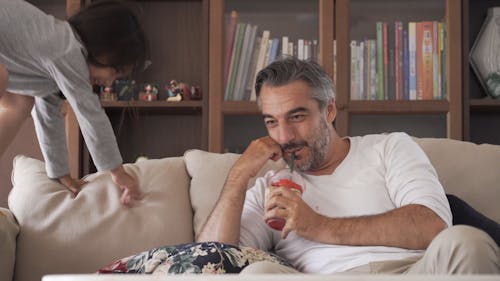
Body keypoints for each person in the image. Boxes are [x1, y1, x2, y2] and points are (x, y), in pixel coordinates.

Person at [197, 57, 499, 274]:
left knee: (465, 242)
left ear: (328, 110)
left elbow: (432, 225)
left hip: (411, 272)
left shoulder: (390, 148)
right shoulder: (270, 187)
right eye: (272, 122)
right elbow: (210, 260)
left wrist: (317, 225)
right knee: (257, 275)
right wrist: (239, 174)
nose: (284, 136)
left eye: (297, 117)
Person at [0, 0, 148, 205]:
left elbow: (49, 120)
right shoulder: (67, 50)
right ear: (102, 48)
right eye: (114, 72)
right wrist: (117, 172)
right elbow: (90, 113)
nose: (109, 82)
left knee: (22, 101)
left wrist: (62, 174)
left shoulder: (52, 74)